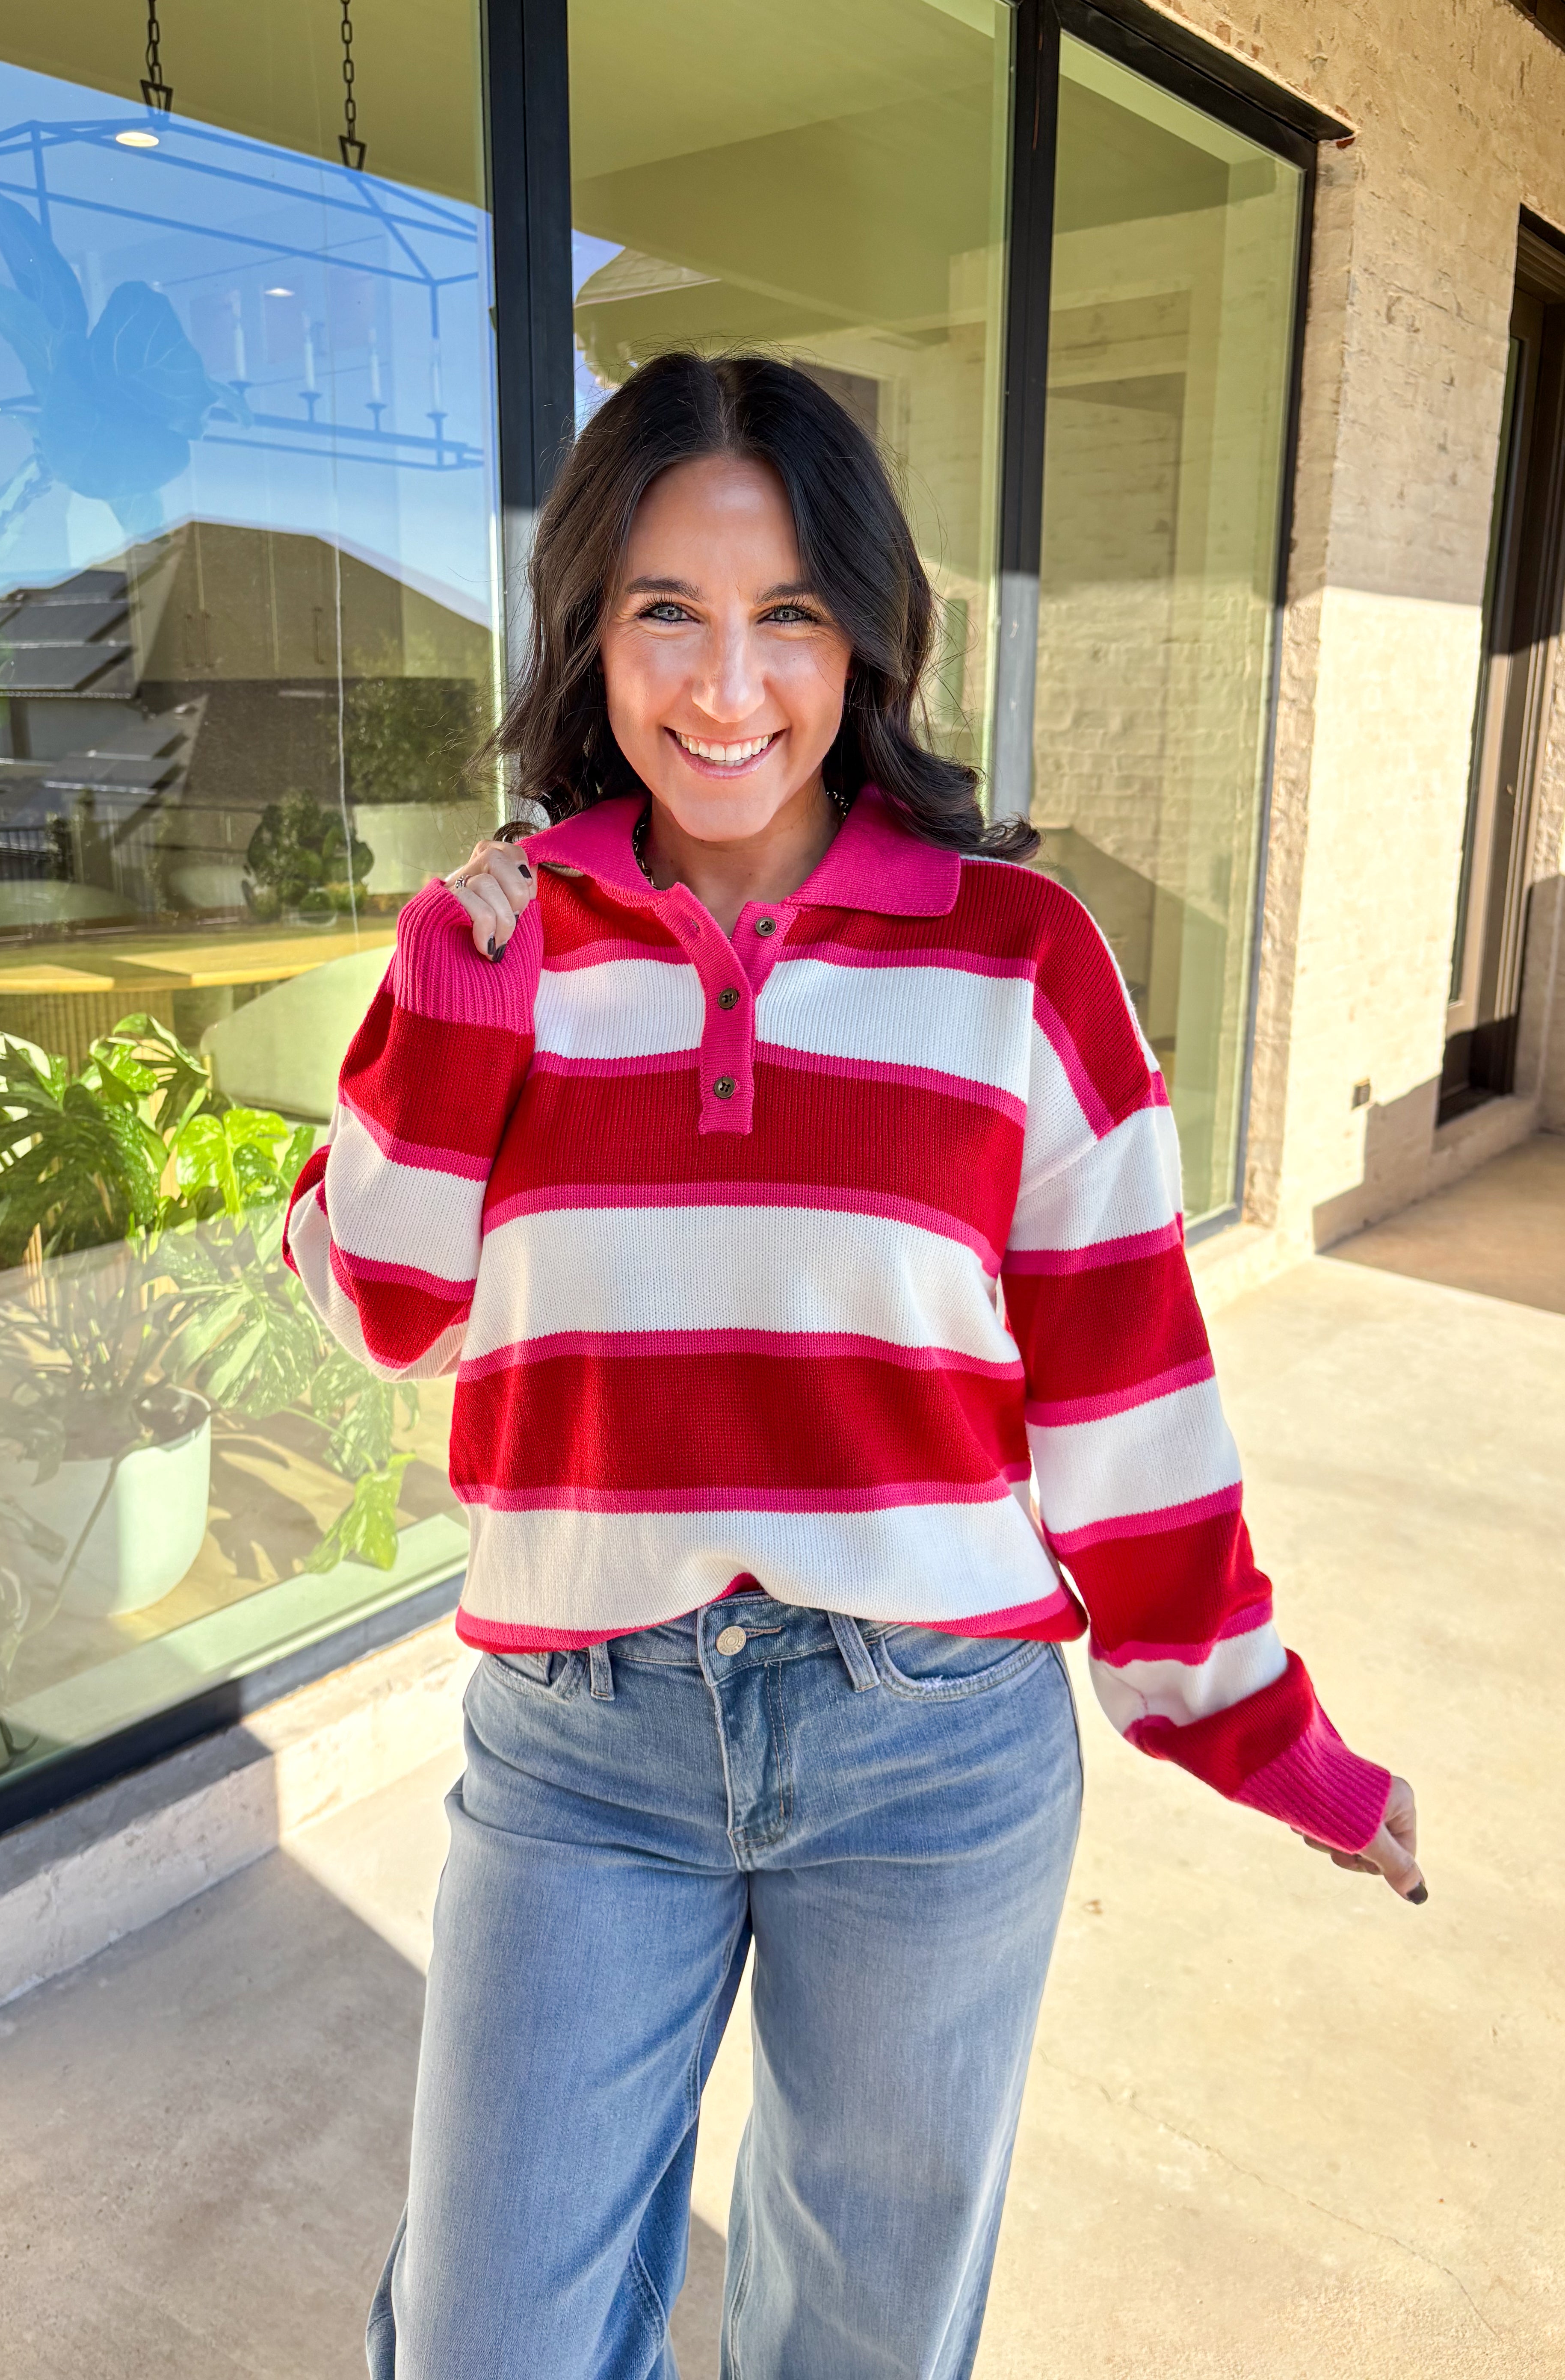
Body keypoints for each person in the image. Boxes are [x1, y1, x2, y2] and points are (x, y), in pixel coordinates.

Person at [284, 351, 1423, 2380]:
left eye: (787, 615)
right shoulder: (498, 943)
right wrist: (445, 1016)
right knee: (487, 2337)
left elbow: (1124, 1396)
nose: (726, 689)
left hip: (929, 1744)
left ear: (866, 637)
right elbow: (379, 1301)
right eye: (666, 615)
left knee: (858, 2343)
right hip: (578, 1745)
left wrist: (1261, 1728)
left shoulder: (1018, 958)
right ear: (589, 636)